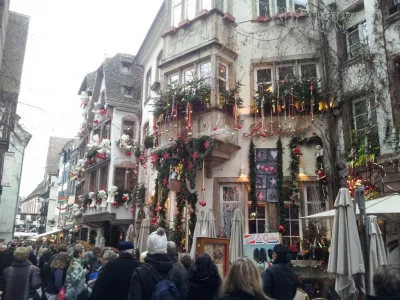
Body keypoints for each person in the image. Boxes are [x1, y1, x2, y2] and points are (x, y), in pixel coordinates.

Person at [128, 227, 186, 300]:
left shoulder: (140, 273)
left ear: (149, 248)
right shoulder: (177, 271)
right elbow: (183, 296)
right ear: (165, 248)